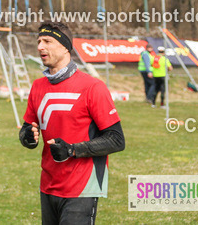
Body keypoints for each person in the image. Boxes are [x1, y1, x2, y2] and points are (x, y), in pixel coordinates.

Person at [19, 22, 125, 225]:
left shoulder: (92, 86)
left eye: (47, 41)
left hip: (82, 186)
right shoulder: (37, 86)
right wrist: (26, 137)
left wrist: (72, 150)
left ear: (65, 47)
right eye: (39, 41)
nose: (40, 46)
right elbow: (28, 128)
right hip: (48, 184)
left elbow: (116, 140)